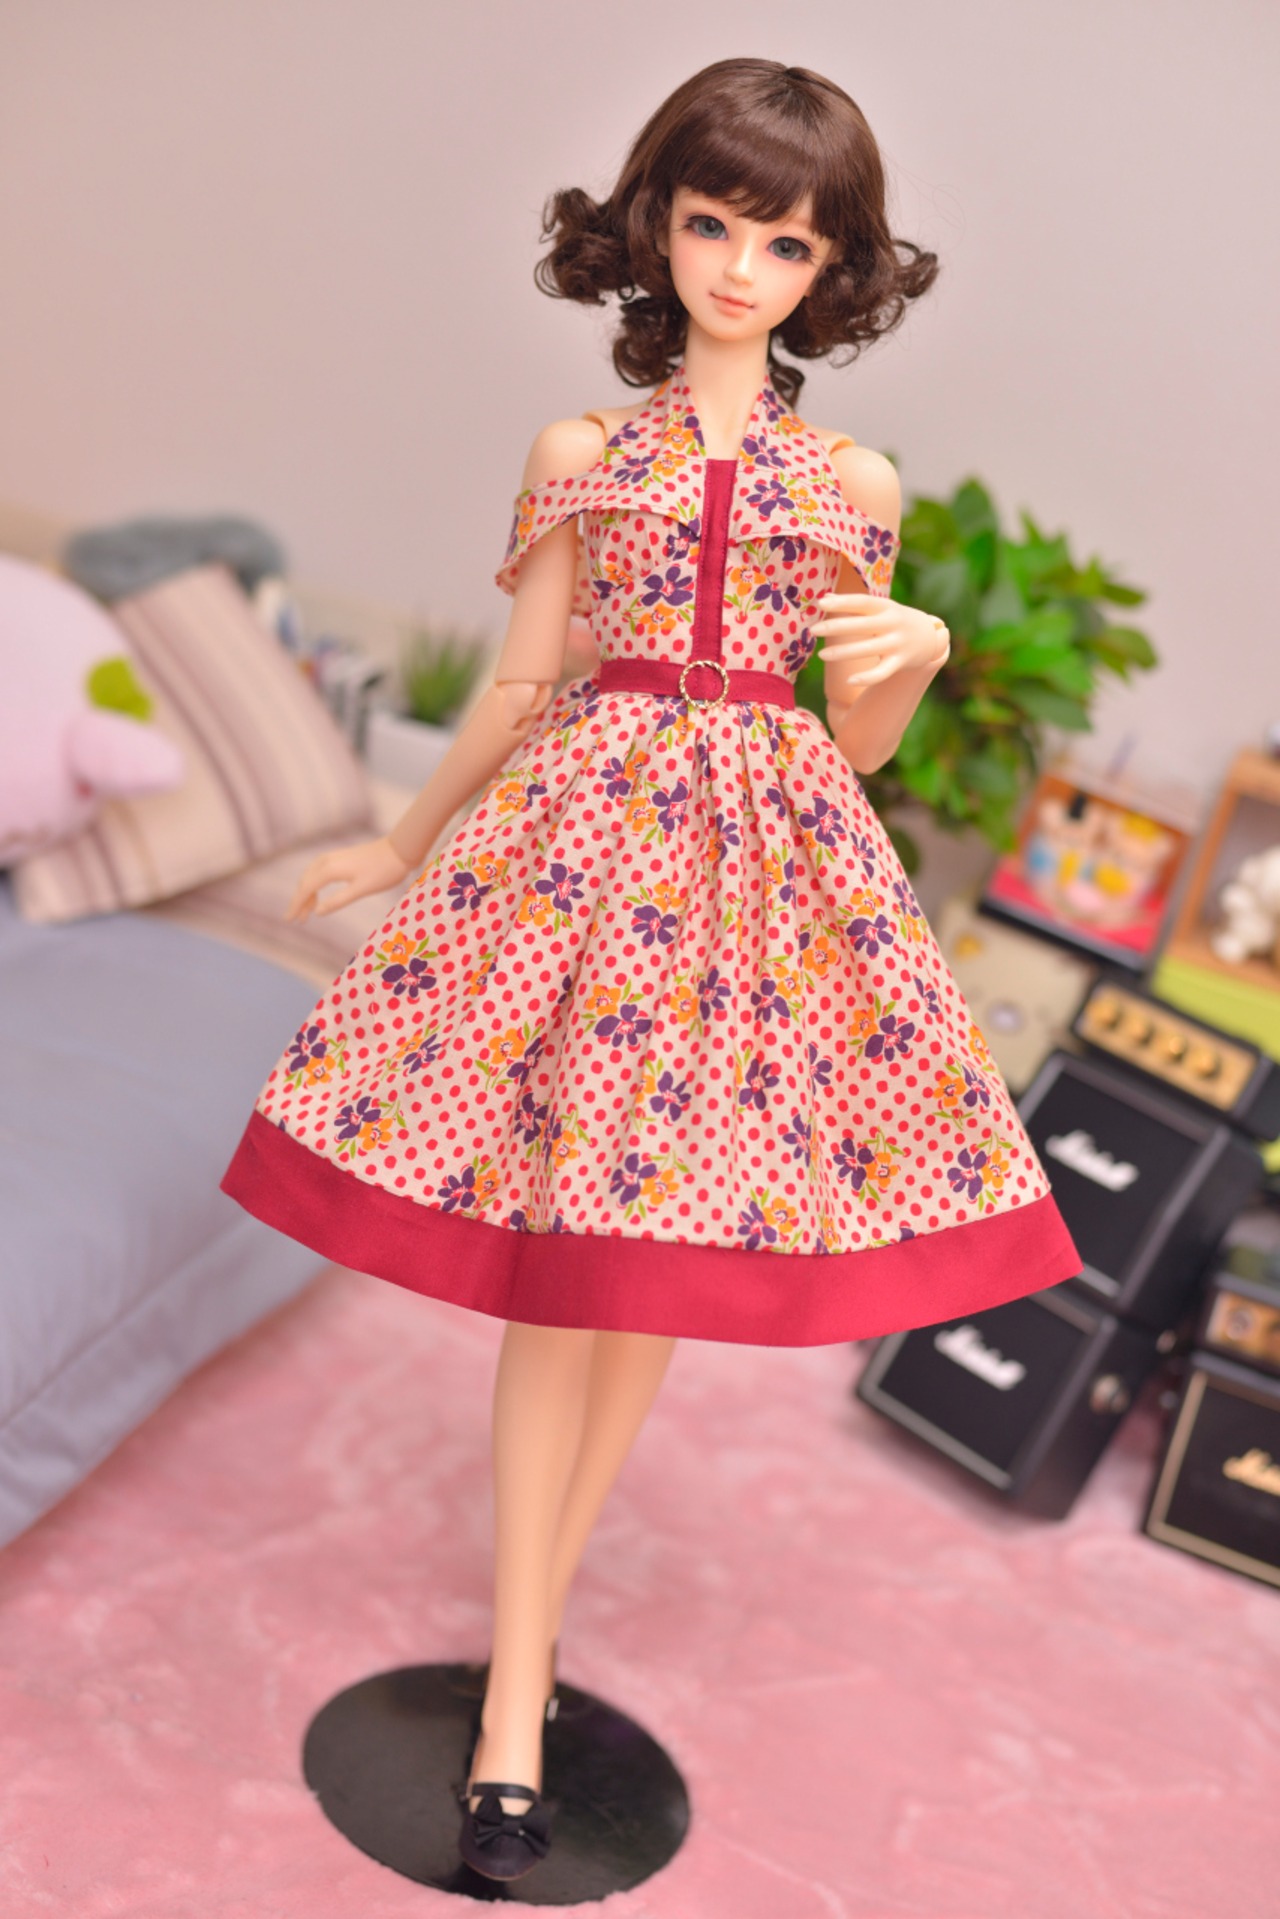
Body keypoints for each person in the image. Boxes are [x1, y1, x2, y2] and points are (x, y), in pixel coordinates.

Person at [220, 56, 1080, 1883]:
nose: (743, 270)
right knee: (564, 1285)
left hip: (760, 895)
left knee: (650, 1288)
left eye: (790, 242)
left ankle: (529, 1638)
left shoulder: (853, 480)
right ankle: (518, 1693)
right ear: (655, 228)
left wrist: (913, 662)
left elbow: (853, 746)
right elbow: (522, 684)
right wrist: (404, 839)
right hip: (585, 874)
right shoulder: (582, 454)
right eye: (713, 225)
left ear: (834, 267)